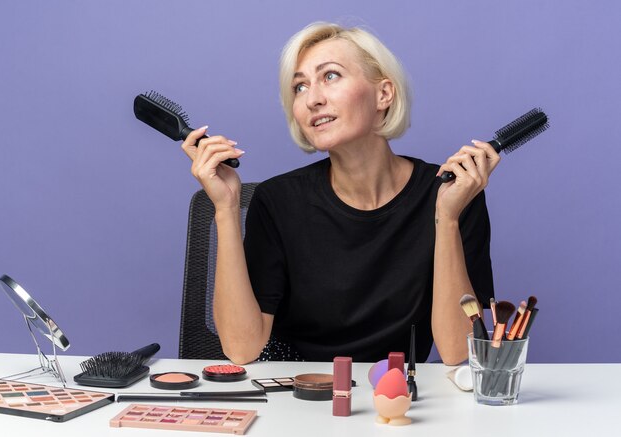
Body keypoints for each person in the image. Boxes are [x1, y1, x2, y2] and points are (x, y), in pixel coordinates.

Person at [181, 22, 499, 365]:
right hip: (295, 397)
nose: (313, 99)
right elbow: (242, 349)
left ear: (384, 94)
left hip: (393, 398)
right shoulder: (278, 201)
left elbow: (455, 351)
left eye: (330, 76)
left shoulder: (451, 195)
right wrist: (226, 207)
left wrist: (448, 219)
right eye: (300, 87)